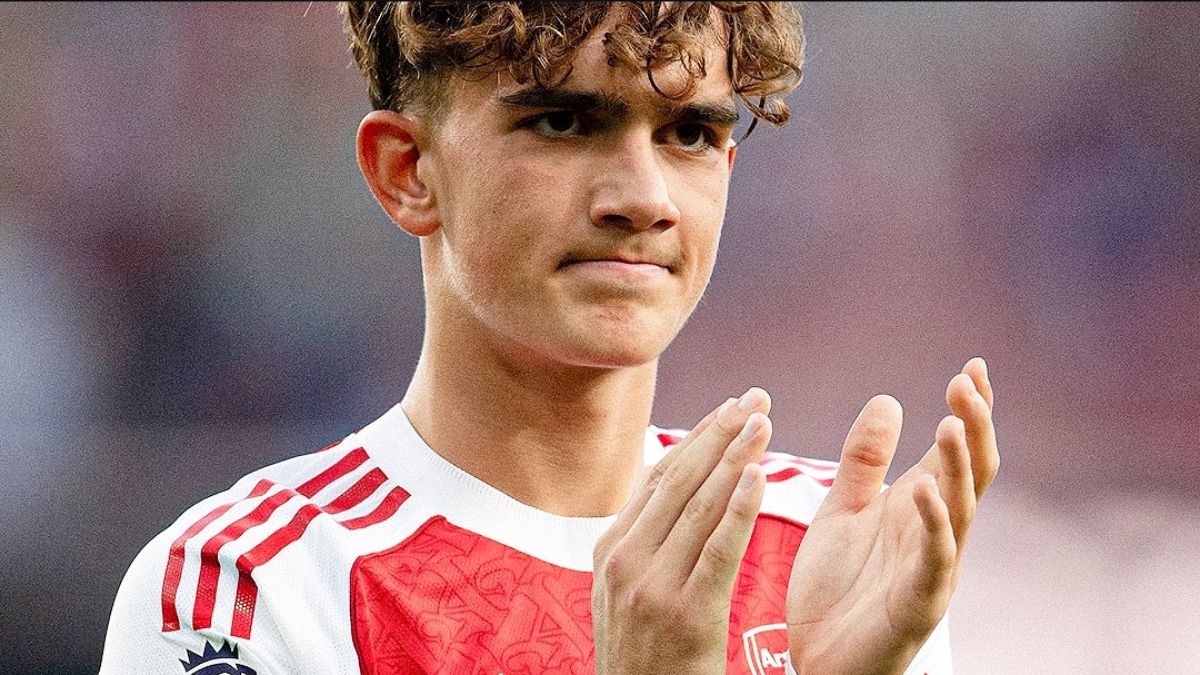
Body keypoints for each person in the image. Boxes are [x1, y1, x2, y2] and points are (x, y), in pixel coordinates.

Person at [100, 3, 999, 674]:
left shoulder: (826, 555)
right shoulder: (251, 591)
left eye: (689, 132)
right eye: (564, 122)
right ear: (408, 172)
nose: (643, 197)